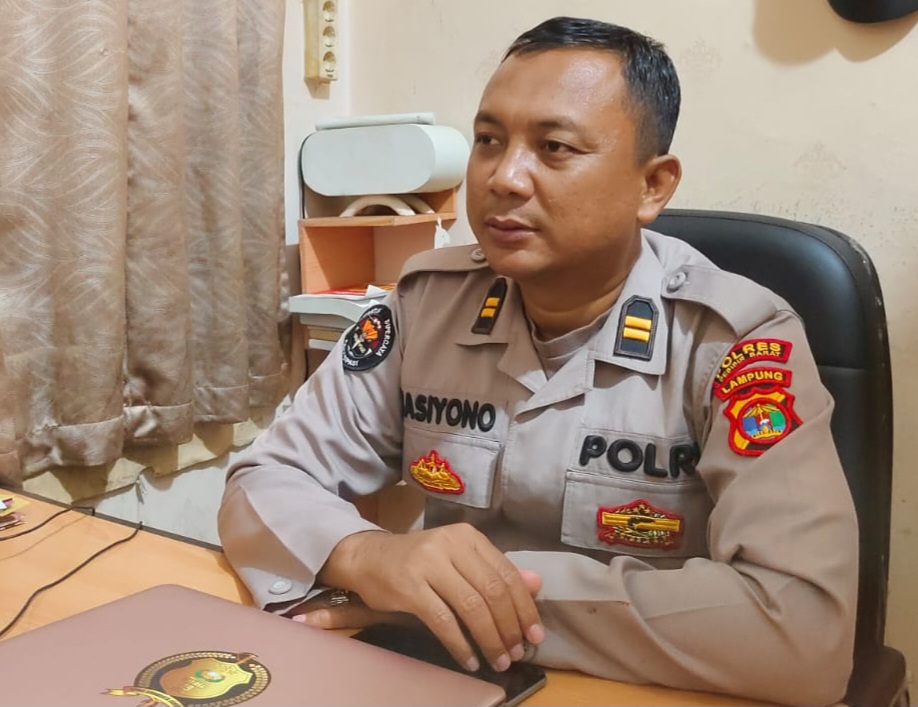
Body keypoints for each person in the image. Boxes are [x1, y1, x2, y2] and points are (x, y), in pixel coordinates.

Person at [218, 16, 857, 706]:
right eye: (488, 141)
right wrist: (365, 554)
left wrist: (469, 600)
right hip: (448, 681)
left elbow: (803, 631)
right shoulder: (426, 305)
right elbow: (264, 477)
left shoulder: (735, 340)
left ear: (652, 185)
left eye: (554, 147)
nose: (504, 177)